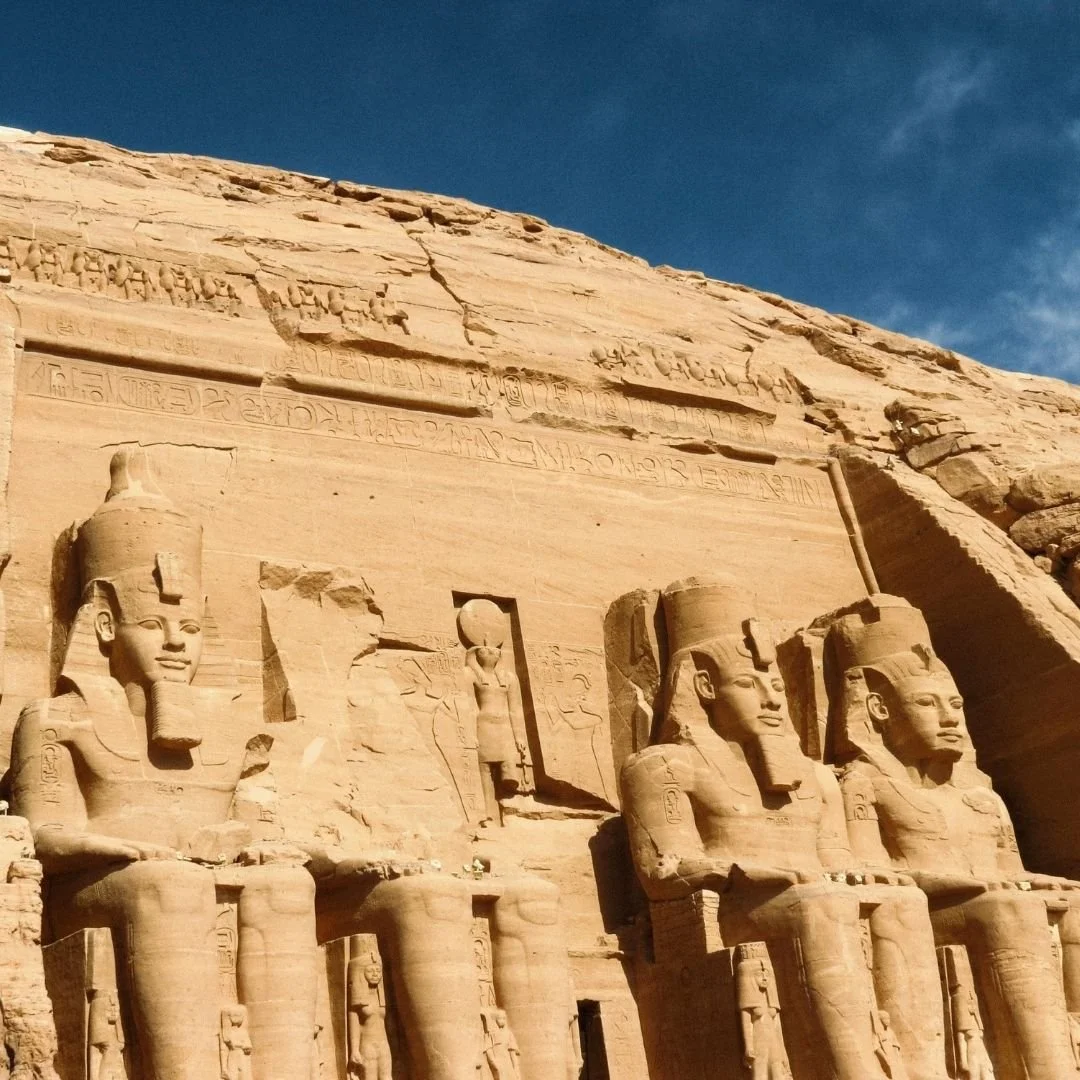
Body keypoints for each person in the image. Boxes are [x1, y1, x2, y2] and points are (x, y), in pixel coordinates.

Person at [11, 448, 319, 1080]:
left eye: (192, 628)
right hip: (100, 886)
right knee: (169, 885)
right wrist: (120, 847)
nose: (178, 642)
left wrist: (270, 848)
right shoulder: (58, 717)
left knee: (287, 888)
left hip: (176, 875)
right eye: (154, 623)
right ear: (104, 624)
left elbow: (256, 826)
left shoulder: (227, 727)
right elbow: (39, 834)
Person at [620, 575, 947, 1080]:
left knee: (902, 903)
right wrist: (747, 871)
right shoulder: (665, 765)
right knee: (821, 904)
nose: (773, 700)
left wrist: (864, 874)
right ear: (705, 686)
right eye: (749, 685)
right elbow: (662, 871)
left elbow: (839, 858)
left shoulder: (817, 777)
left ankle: (922, 1070)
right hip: (731, 908)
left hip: (806, 897)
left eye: (777, 686)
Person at [826, 593, 1080, 1079]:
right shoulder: (867, 783)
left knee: (1072, 905)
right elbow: (871, 874)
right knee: (1008, 910)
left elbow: (1011, 873)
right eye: (926, 703)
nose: (950, 718)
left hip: (982, 903)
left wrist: (1045, 883)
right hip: (929, 913)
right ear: (878, 709)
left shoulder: (984, 799)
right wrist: (976, 885)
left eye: (956, 704)